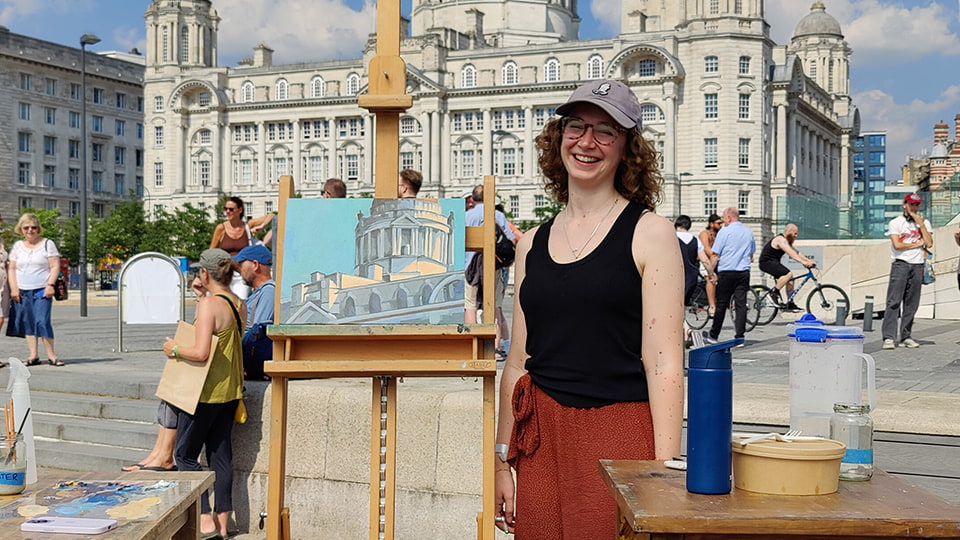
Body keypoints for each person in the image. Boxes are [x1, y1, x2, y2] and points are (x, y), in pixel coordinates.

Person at [493, 79, 684, 538]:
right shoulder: (532, 243)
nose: (586, 141)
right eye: (576, 126)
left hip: (618, 432)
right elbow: (518, 361)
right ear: (558, 139)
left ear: (626, 149)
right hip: (539, 437)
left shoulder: (650, 232)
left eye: (606, 131)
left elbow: (663, 363)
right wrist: (501, 459)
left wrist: (663, 470)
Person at [163, 248, 245, 539]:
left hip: (203, 392)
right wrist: (203, 294)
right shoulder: (237, 303)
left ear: (205, 273)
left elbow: (200, 352)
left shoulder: (209, 305)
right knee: (220, 456)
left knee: (184, 455)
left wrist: (173, 348)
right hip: (230, 392)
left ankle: (205, 519)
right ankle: (223, 525)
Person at [463, 184, 516, 360]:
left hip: (470, 267)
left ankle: (472, 344)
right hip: (494, 266)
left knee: (470, 305)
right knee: (494, 307)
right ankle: (494, 348)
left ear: (472, 199)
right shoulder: (498, 215)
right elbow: (510, 240)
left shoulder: (467, 215)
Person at [6, 213, 63, 366]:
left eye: (33, 227)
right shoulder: (18, 246)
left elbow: (55, 266)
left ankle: (52, 356)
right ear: (21, 229)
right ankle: (33, 356)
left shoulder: (47, 244)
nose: (30, 230)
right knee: (28, 322)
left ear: (38, 229)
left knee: (42, 321)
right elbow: (11, 269)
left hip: (41, 289)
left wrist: (50, 285)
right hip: (22, 290)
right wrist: (14, 288)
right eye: (26, 227)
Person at [882, 193, 932, 350]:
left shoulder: (924, 223)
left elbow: (929, 243)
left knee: (911, 303)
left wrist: (921, 225)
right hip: (901, 264)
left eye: (917, 205)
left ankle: (906, 336)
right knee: (894, 301)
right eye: (911, 204)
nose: (914, 208)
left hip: (917, 265)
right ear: (905, 205)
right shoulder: (896, 223)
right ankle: (889, 337)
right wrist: (918, 244)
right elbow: (897, 245)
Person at [706, 207, 755, 344]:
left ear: (729, 218)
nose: (723, 221)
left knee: (721, 304)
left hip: (727, 272)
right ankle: (740, 336)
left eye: (724, 218)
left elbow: (715, 255)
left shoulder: (724, 232)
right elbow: (751, 255)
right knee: (740, 304)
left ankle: (714, 335)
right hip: (743, 273)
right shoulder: (748, 232)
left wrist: (710, 273)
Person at [210, 197, 273, 300]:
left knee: (241, 302)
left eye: (231, 209)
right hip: (225, 272)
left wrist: (262, 226)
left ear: (240, 210)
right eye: (225, 209)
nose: (227, 212)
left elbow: (271, 215)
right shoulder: (221, 228)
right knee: (224, 302)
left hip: (242, 272)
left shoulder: (247, 225)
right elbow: (211, 251)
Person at [232, 245, 275, 380]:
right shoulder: (259, 293)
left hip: (253, 363)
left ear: (255, 265)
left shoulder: (268, 291)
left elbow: (257, 332)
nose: (239, 271)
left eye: (241, 265)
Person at [758, 223, 816, 311]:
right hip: (766, 263)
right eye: (795, 233)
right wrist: (803, 262)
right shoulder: (780, 240)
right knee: (787, 274)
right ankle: (773, 294)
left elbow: (796, 252)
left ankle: (790, 303)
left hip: (774, 262)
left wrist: (808, 261)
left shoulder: (786, 241)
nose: (796, 236)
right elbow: (790, 253)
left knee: (790, 280)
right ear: (789, 232)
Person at [675, 215, 715, 306]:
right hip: (691, 277)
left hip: (675, 276)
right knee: (683, 304)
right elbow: (705, 260)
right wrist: (711, 274)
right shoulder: (695, 240)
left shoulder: (672, 238)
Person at [698, 214, 722, 315]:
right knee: (710, 279)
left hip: (715, 260)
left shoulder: (720, 235)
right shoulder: (705, 234)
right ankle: (712, 306)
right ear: (711, 224)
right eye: (719, 223)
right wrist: (718, 256)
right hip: (704, 261)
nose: (721, 225)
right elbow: (706, 249)